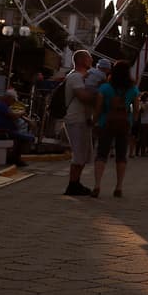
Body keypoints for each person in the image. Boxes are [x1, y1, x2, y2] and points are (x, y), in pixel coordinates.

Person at [92, 59, 138, 199]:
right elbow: (136, 109)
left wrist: (94, 121)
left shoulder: (105, 88)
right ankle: (118, 187)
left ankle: (97, 185)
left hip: (106, 123)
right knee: (121, 156)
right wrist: (132, 122)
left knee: (101, 154)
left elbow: (98, 109)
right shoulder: (133, 89)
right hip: (124, 124)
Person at [61, 49, 99, 196]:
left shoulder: (83, 77)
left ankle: (76, 182)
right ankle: (72, 184)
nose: (92, 61)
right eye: (89, 58)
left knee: (84, 154)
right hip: (76, 119)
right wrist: (99, 94)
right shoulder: (75, 77)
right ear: (82, 60)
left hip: (83, 119)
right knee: (79, 154)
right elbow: (83, 97)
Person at [0, 89, 33, 168]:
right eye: (13, 100)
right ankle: (15, 158)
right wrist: (22, 113)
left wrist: (25, 118)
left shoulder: (4, 106)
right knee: (25, 137)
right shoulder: (1, 105)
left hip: (6, 130)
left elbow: (14, 116)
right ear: (8, 98)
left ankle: (15, 157)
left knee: (25, 136)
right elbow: (13, 115)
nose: (13, 102)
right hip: (2, 131)